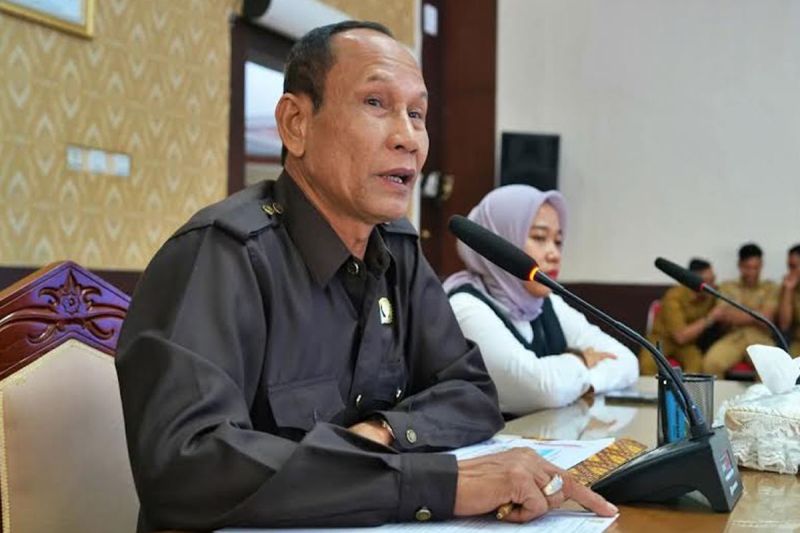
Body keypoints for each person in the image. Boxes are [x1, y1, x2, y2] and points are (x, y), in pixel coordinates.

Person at [115, 21, 617, 532]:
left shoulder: (397, 251)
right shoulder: (221, 255)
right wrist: (431, 484)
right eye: (376, 103)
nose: (408, 138)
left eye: (417, 114)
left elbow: (471, 394)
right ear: (296, 124)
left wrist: (383, 433)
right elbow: (185, 467)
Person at [442, 185, 639, 416]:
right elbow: (541, 389)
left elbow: (627, 362)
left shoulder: (545, 303)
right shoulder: (464, 306)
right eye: (539, 237)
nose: (554, 254)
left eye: (558, 241)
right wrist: (581, 359)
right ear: (499, 243)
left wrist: (582, 382)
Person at [703, 243, 779, 376]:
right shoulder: (727, 286)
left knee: (771, 367)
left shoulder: (770, 287)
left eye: (755, 268)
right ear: (739, 265)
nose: (752, 272)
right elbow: (724, 316)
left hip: (761, 338)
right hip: (733, 338)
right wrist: (757, 314)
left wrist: (737, 314)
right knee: (711, 363)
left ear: (761, 265)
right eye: (747, 267)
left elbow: (766, 319)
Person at [640, 258, 724, 374]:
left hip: (688, 344)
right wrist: (710, 318)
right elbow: (680, 337)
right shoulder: (674, 296)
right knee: (647, 365)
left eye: (713, 279)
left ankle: (688, 386)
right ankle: (654, 386)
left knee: (698, 363)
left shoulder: (711, 294)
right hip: (662, 339)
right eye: (707, 282)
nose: (712, 285)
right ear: (693, 281)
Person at [777, 243, 800, 356]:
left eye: (793, 267)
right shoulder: (788, 288)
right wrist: (788, 291)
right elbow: (784, 325)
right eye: (789, 267)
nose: (790, 272)